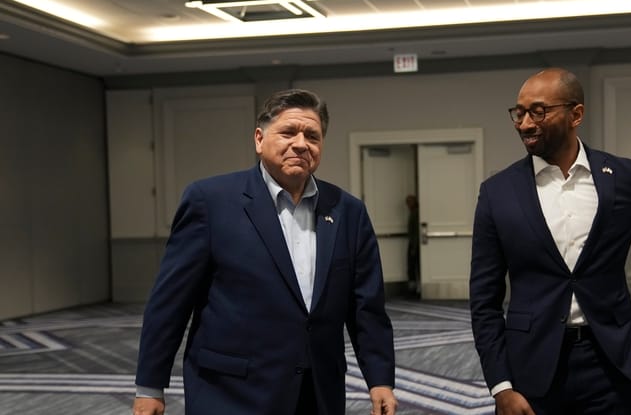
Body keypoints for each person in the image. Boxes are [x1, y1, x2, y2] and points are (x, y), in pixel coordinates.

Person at [133, 89, 397, 415]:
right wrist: (149, 385)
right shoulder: (210, 201)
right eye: (288, 132)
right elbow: (170, 302)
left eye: (312, 136)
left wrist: (380, 379)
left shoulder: (348, 211)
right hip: (231, 392)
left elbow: (366, 308)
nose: (301, 143)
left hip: (316, 392)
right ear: (259, 139)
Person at [469, 68, 631, 415]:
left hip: (614, 361)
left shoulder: (625, 178)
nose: (525, 123)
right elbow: (484, 299)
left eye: (538, 111)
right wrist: (500, 385)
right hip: (532, 366)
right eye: (519, 112)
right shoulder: (497, 193)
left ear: (576, 114)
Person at [405, 194, 420, 296]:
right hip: (413, 242)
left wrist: (414, 247)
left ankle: (414, 289)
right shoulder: (413, 213)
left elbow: (415, 232)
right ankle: (413, 288)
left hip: (414, 243)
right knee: (412, 266)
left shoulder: (416, 214)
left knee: (413, 266)